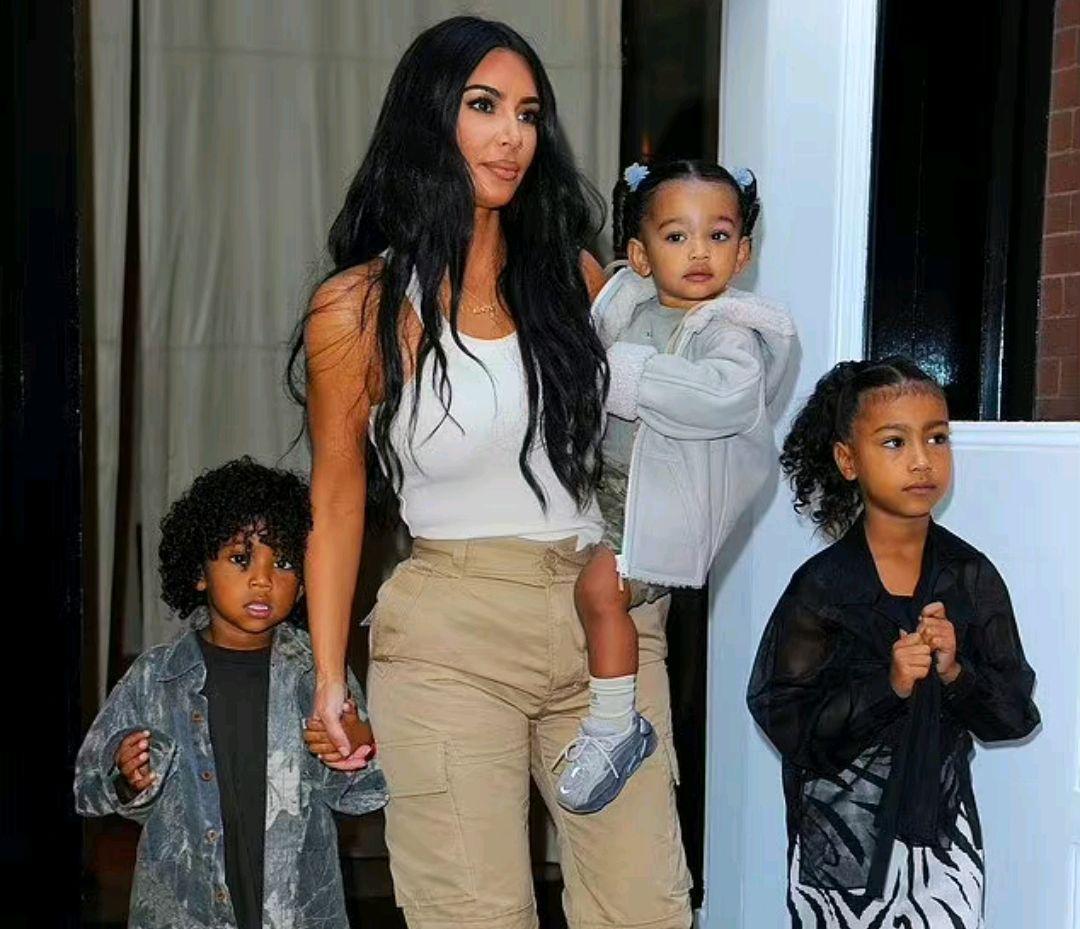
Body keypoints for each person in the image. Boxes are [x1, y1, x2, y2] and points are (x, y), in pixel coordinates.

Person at [290, 16, 692, 929]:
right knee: (473, 915)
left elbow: (656, 441)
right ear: (430, 116)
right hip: (451, 634)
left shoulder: (579, 281)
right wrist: (329, 677)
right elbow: (337, 500)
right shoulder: (357, 307)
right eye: (484, 106)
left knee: (646, 912)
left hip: (605, 625)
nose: (512, 135)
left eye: (528, 113)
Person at [747, 359, 1040, 927]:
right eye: (894, 442)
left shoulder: (970, 577)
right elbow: (787, 719)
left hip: (944, 847)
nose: (922, 460)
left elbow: (1014, 715)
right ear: (848, 460)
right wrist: (889, 685)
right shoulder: (824, 587)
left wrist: (956, 674)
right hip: (841, 851)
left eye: (937, 438)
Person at [557, 159, 797, 813]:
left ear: (742, 253)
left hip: (665, 509)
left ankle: (615, 725)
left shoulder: (730, 331)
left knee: (600, 590)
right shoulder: (630, 307)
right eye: (676, 235)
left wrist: (626, 375)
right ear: (639, 254)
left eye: (718, 236)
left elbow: (725, 396)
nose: (699, 252)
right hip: (611, 489)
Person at [74, 458, 386, 929]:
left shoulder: (319, 674)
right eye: (241, 559)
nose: (263, 579)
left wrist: (357, 747)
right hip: (186, 911)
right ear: (200, 571)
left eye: (284, 562)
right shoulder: (156, 677)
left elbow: (359, 797)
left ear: (307, 583)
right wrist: (126, 777)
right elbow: (88, 789)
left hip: (295, 910)